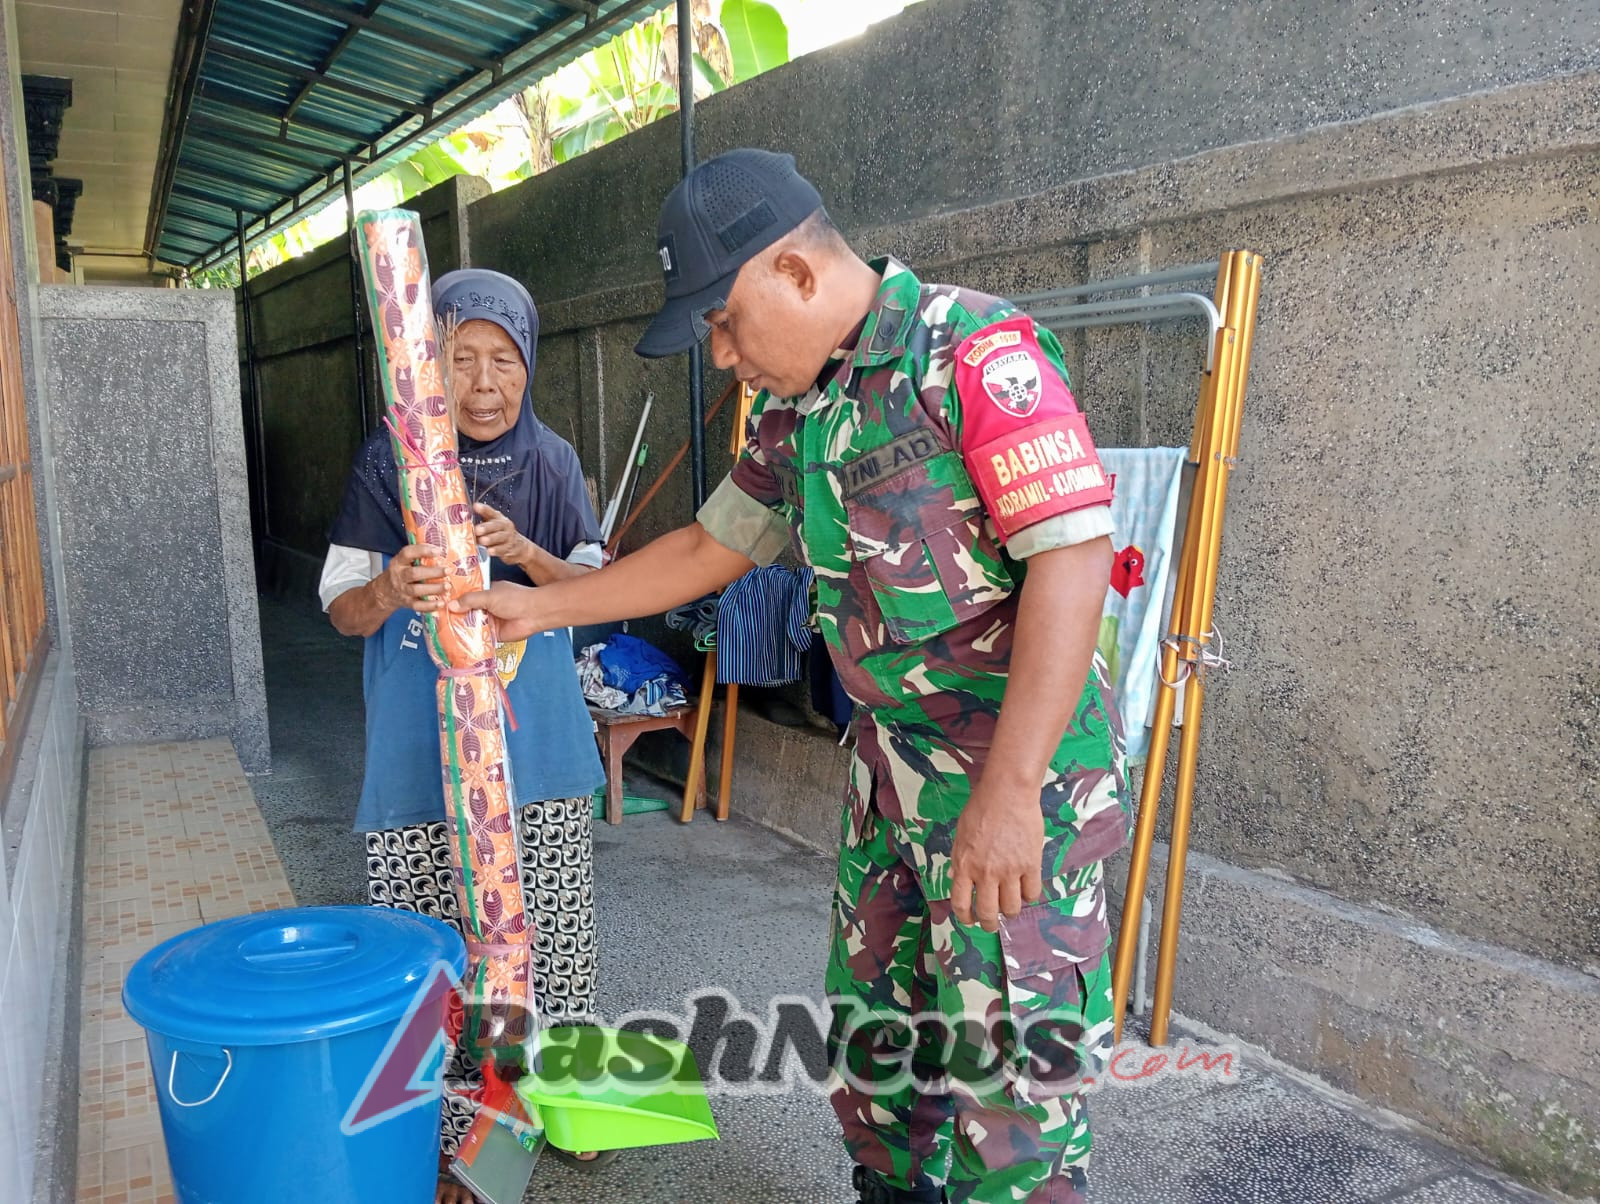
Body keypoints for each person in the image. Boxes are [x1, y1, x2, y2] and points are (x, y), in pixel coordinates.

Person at [455, 151, 1130, 1204]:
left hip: (1016, 784)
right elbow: (707, 548)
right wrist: (539, 604)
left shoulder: (969, 355)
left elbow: (1072, 556)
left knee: (1010, 1093)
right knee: (878, 1049)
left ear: (796, 273)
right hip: (887, 781)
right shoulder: (795, 412)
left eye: (724, 321)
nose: (721, 354)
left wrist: (1007, 793)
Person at [318, 268, 612, 1202]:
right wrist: (388, 589)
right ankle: (465, 1145)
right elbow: (340, 610)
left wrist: (526, 555)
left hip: (540, 758)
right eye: (463, 358)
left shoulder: (553, 461)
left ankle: (565, 1110)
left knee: (557, 948)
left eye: (505, 359)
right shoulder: (386, 462)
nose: (485, 383)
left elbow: (594, 593)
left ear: (529, 362)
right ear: (428, 366)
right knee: (436, 962)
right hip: (421, 761)